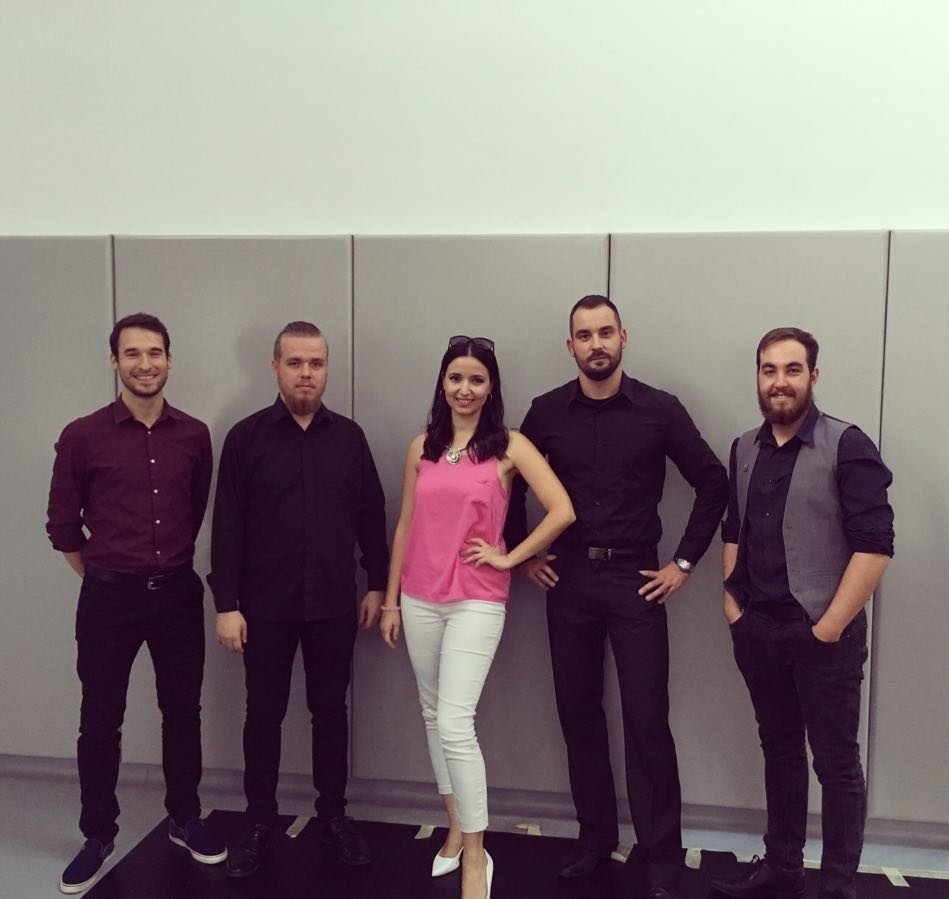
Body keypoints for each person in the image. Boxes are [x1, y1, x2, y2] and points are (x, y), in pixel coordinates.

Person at [504, 295, 728, 899]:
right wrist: (524, 554)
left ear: (624, 337)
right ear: (570, 346)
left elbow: (713, 482)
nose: (596, 343)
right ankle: (594, 840)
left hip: (637, 579)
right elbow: (507, 482)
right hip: (569, 580)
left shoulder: (660, 410)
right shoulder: (546, 412)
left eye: (605, 332)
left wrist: (684, 563)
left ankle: (662, 858)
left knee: (647, 720)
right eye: (584, 335)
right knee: (578, 713)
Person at [380, 335, 575, 899]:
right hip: (419, 596)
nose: (464, 389)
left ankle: (474, 853)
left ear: (491, 388)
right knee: (432, 713)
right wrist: (391, 600)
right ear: (442, 383)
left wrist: (511, 557)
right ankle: (454, 825)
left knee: (454, 722)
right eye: (455, 378)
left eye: (476, 379)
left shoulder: (509, 446)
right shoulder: (422, 447)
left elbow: (562, 510)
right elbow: (405, 525)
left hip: (476, 598)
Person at [46, 313, 224, 894]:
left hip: (177, 595)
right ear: (114, 361)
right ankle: (98, 836)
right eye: (132, 354)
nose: (144, 364)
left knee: (183, 712)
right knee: (100, 720)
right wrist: (108, 573)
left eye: (154, 353)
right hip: (108, 600)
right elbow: (62, 526)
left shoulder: (194, 435)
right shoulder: (83, 435)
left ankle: (184, 817)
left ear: (169, 359)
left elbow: (193, 510)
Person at [712, 327, 894, 899]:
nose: (780, 382)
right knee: (780, 751)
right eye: (769, 370)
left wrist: (829, 628)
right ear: (758, 377)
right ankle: (782, 868)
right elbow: (734, 530)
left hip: (823, 635)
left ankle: (837, 886)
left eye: (792, 370)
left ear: (813, 376)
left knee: (836, 764)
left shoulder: (848, 445)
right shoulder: (744, 448)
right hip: (759, 629)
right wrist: (733, 607)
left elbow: (875, 546)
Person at [209, 320, 388, 878]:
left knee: (330, 713)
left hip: (334, 604)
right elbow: (227, 527)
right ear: (275, 367)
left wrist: (378, 584)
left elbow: (372, 516)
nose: (306, 373)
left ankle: (333, 817)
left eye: (316, 363)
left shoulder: (350, 439)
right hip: (263, 608)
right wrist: (226, 604)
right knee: (263, 715)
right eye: (295, 363)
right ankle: (259, 824)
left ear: (326, 368)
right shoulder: (245, 438)